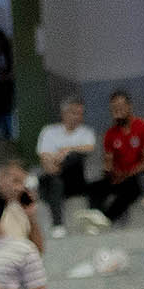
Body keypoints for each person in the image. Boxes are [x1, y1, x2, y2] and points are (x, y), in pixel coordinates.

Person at [91, 90, 144, 228]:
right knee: (95, 187)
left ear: (129, 106)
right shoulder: (110, 134)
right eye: (114, 108)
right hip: (118, 176)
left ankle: (106, 219)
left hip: (137, 177)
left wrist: (126, 175)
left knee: (130, 187)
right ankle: (93, 218)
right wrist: (109, 171)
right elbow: (108, 162)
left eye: (121, 106)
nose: (118, 110)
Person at [34, 96, 96, 239]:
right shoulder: (49, 131)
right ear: (64, 113)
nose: (78, 117)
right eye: (74, 113)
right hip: (54, 176)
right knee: (54, 181)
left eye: (80, 113)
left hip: (75, 180)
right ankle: (57, 224)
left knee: (73, 156)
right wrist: (55, 161)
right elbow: (45, 157)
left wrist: (67, 150)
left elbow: (89, 148)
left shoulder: (86, 132)